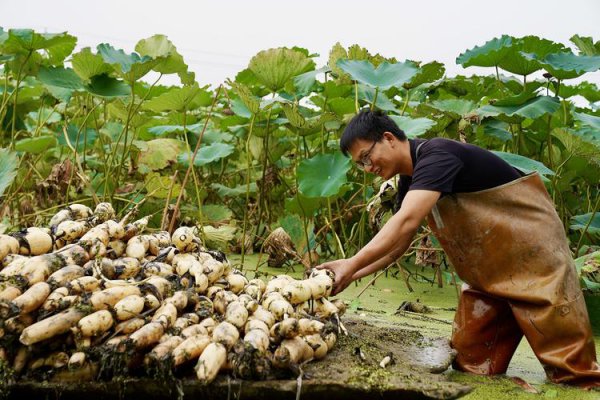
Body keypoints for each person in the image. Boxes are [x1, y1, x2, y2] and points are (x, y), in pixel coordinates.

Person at [317, 110, 600, 387]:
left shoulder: (438, 155)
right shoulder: (409, 180)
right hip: (487, 277)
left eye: (367, 156)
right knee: (469, 365)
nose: (368, 168)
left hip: (535, 262)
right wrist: (349, 275)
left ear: (389, 138)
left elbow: (406, 221)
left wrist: (351, 262)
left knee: (576, 374)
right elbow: (397, 247)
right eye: (360, 164)